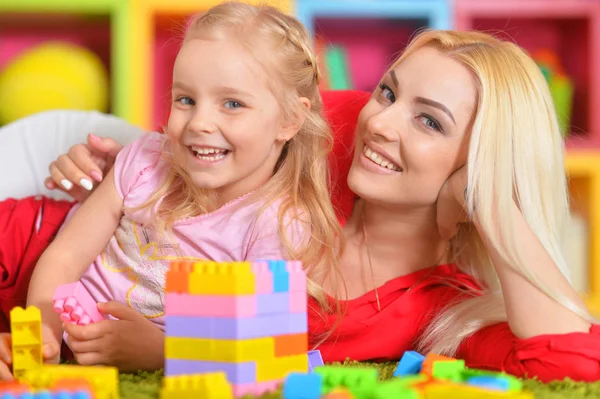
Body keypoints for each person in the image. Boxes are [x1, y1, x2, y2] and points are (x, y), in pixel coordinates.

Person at [20, 30, 600, 382]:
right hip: (48, 236)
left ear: (481, 168)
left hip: (60, 326)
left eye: (429, 121)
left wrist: (494, 206)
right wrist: (104, 162)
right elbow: (197, 132)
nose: (382, 123)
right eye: (390, 92)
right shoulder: (334, 130)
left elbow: (575, 364)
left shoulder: (439, 310)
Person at [0, 1, 341, 379]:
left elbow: (262, 347)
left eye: (232, 103)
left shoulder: (277, 222)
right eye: (186, 99)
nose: (199, 122)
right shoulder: (145, 159)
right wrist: (45, 335)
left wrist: (161, 352)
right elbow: (64, 256)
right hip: (19, 248)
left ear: (290, 120)